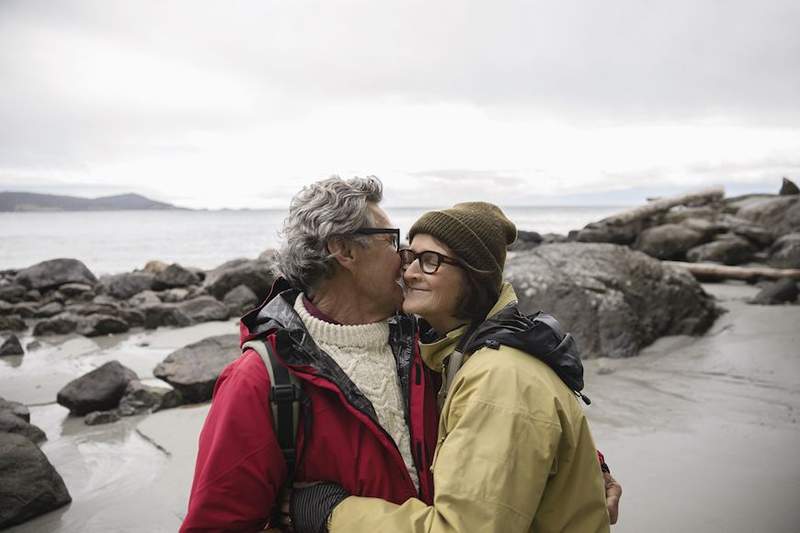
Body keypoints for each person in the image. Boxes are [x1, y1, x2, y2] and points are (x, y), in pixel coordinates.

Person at [290, 202, 617, 532]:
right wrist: (591, 466)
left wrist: (334, 513)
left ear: (474, 276)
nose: (410, 272)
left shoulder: (499, 378)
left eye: (431, 261)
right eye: (410, 256)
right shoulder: (452, 356)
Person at [180, 176, 440, 531]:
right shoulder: (258, 382)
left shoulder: (430, 348)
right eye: (391, 240)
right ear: (344, 251)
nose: (406, 256)